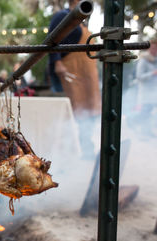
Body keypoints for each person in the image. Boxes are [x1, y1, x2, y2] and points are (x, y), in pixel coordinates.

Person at [48, 0, 101, 158]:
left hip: (87, 73)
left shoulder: (82, 21)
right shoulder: (63, 16)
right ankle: (72, 149)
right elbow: (52, 39)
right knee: (77, 109)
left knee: (89, 109)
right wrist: (57, 62)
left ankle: (87, 146)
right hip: (72, 70)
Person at [135, 38, 157, 138]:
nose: (154, 50)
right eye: (153, 48)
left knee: (150, 114)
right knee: (145, 114)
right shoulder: (144, 60)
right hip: (146, 93)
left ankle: (147, 131)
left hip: (154, 93)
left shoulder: (155, 60)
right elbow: (139, 76)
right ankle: (142, 132)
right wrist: (152, 73)